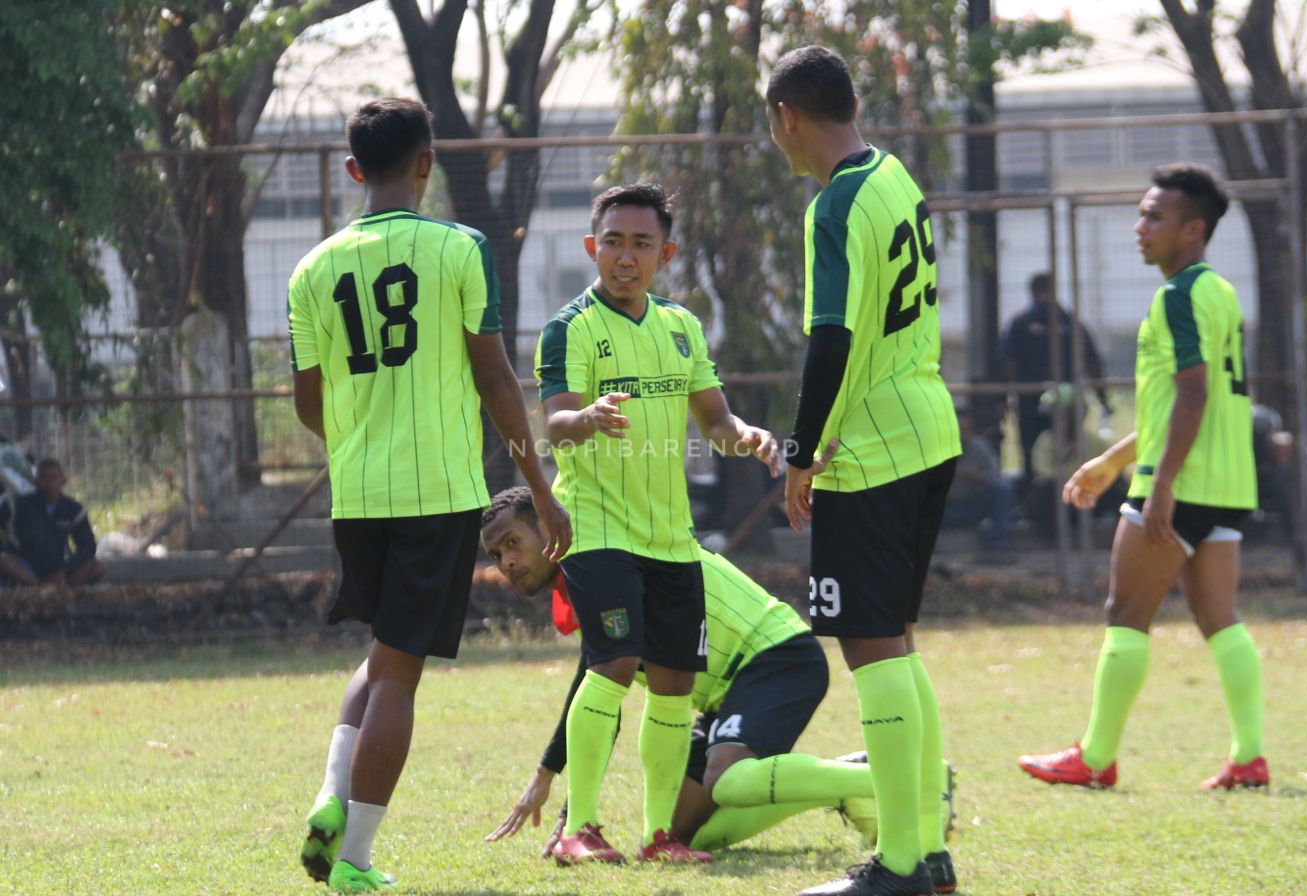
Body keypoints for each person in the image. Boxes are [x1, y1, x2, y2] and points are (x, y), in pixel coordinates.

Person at [287, 97, 571, 894]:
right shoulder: (460, 248)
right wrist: (541, 493)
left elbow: (308, 402)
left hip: (358, 496)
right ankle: (356, 862)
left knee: (385, 649)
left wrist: (355, 441)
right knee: (401, 674)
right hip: (435, 494)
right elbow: (494, 376)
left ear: (352, 171)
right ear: (427, 163)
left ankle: (329, 797)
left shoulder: (311, 269)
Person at [479, 486, 958, 876]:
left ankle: (912, 781)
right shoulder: (587, 579)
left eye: (513, 543)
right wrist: (569, 809)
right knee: (685, 834)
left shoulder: (610, 557)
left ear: (548, 522)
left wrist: (555, 791)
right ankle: (839, 782)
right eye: (497, 554)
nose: (507, 563)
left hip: (776, 655)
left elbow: (602, 687)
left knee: (727, 780)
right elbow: (597, 694)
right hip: (722, 697)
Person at [533, 183, 782, 865]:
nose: (625, 256)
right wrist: (581, 420)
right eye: (612, 241)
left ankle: (656, 835)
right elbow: (553, 420)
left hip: (671, 538)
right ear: (593, 247)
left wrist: (748, 436)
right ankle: (578, 829)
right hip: (596, 528)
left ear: (665, 253)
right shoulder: (570, 327)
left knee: (673, 681)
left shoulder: (682, 327)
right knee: (613, 661)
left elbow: (716, 421)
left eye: (642, 243)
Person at [769, 46, 962, 896]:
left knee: (872, 646)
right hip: (928, 430)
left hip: (872, 448)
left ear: (787, 118)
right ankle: (926, 852)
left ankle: (898, 866)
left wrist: (801, 455)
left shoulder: (835, 203)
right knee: (897, 644)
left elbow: (832, 338)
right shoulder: (894, 177)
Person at [1017, 163, 1265, 792]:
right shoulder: (1220, 292)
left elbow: (1192, 395)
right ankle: (1249, 755)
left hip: (1179, 485)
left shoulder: (1177, 297)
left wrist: (1157, 484)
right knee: (1218, 618)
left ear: (1193, 230)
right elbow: (1182, 403)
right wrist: (1113, 460)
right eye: (1142, 212)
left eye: (1156, 216)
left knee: (1124, 613)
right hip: (1228, 486)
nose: (1140, 227)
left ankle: (1095, 758)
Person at [997, 271, 1110, 495]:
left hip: (1031, 398)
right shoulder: (1068, 320)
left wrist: (1003, 398)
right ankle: (1070, 493)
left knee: (1031, 451)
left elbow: (1005, 363)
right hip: (1065, 400)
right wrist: (1102, 399)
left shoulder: (1020, 321)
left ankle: (1035, 497)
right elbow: (1092, 363)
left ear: (1031, 292)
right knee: (1067, 447)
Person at [11, 458, 104, 585]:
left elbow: (87, 547)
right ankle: (38, 586)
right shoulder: (20, 506)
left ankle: (58, 587)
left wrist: (67, 568)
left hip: (60, 566)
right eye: (43, 479)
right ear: (35, 482)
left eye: (53, 478)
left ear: (63, 481)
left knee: (97, 567)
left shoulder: (74, 509)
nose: (49, 483)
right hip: (28, 565)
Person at [942, 409, 1013, 552]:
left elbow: (994, 476)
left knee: (1003, 488)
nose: (962, 434)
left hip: (972, 504)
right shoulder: (936, 449)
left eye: (966, 429)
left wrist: (976, 477)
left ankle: (997, 542)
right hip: (944, 509)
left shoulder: (980, 447)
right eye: (959, 429)